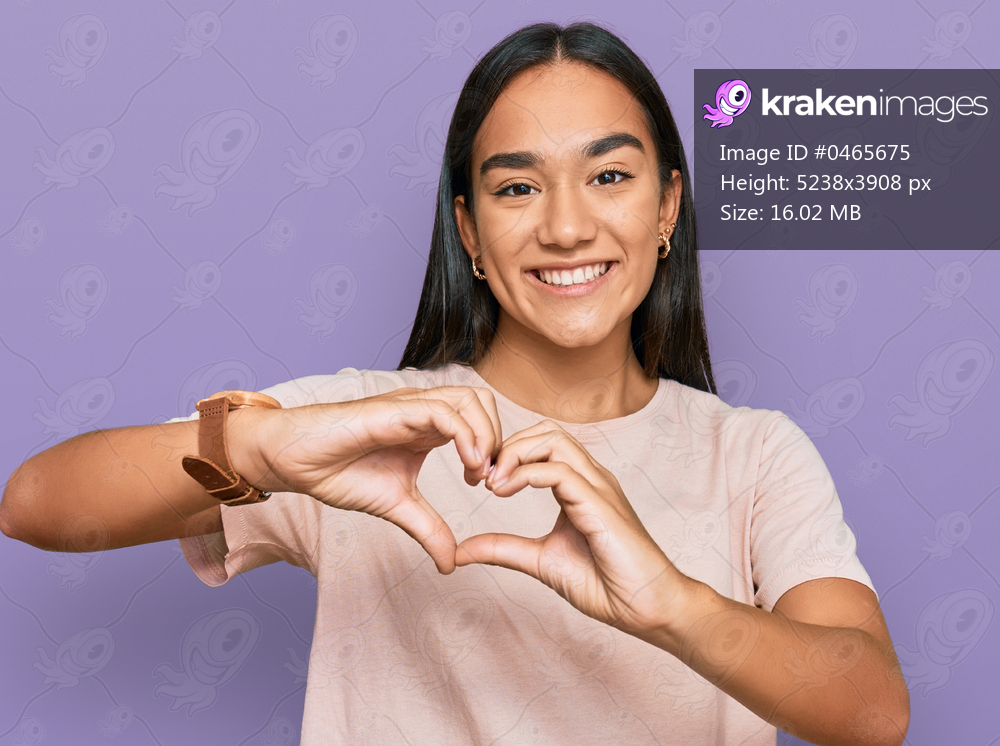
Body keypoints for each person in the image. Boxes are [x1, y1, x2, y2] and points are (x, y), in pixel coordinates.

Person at [1, 21, 908, 746]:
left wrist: (671, 603)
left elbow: (872, 714)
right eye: (517, 189)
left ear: (666, 206)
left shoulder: (754, 455)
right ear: (468, 233)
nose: (565, 226)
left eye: (610, 176)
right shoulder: (372, 427)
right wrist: (265, 444)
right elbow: (36, 504)